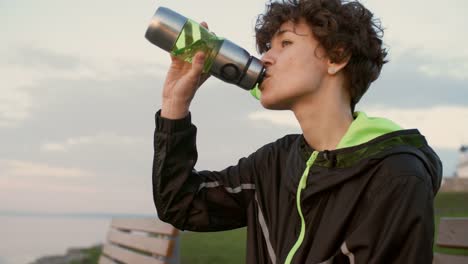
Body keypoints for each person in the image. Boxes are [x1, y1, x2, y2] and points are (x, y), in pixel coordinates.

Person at [152, 0, 442, 263]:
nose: (265, 58)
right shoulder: (275, 163)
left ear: (336, 58)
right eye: (268, 47)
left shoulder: (396, 176)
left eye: (285, 43)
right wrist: (174, 105)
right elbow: (182, 204)